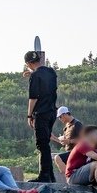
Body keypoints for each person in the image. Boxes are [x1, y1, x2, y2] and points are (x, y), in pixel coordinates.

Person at [24, 50, 58, 182]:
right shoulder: (51, 72)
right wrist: (32, 73)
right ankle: (50, 176)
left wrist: (29, 115)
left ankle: (44, 175)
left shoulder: (35, 76)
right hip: (52, 112)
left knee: (42, 144)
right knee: (46, 143)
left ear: (28, 63)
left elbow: (33, 98)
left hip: (41, 113)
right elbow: (45, 81)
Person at [51, 106, 82, 181]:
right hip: (69, 152)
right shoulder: (66, 127)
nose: (60, 119)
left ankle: (69, 179)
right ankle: (69, 178)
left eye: (60, 117)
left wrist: (70, 141)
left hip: (77, 152)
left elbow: (83, 140)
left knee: (57, 157)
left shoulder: (77, 124)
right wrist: (54, 138)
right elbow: (64, 143)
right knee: (58, 159)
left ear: (65, 114)